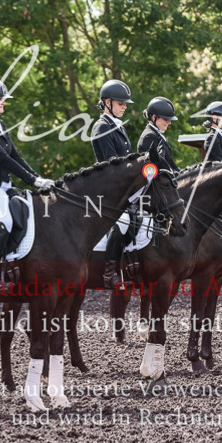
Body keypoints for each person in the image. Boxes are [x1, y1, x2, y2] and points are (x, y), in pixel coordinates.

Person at [0, 78, 55, 270]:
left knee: (26, 212)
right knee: (4, 222)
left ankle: (11, 261)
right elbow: (2, 159)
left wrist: (38, 178)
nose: (4, 102)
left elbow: (15, 156)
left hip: (5, 187)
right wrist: (32, 180)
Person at [90, 79, 135, 287]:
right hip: (108, 188)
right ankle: (109, 272)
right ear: (107, 102)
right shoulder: (102, 127)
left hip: (123, 188)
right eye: (121, 103)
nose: (125, 106)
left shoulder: (118, 127)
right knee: (123, 220)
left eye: (125, 104)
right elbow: (111, 164)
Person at [135, 96, 181, 176]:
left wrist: (183, 174)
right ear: (154, 117)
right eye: (166, 119)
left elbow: (171, 163)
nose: (169, 123)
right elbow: (156, 167)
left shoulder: (157, 135)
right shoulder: (149, 136)